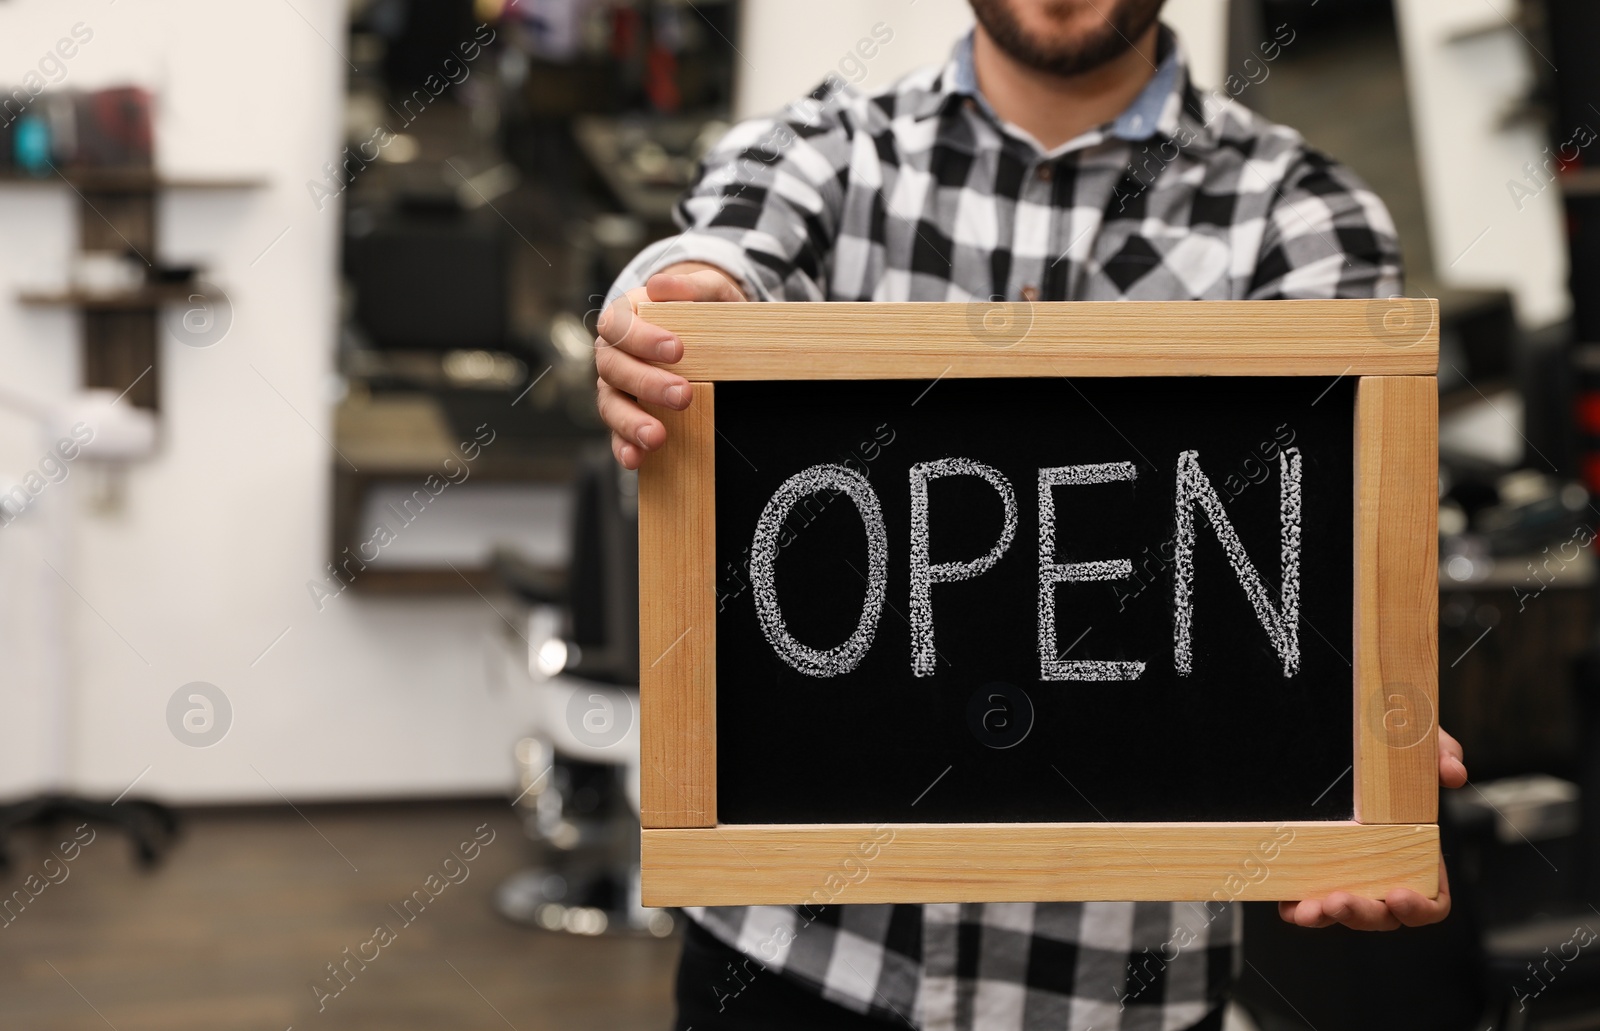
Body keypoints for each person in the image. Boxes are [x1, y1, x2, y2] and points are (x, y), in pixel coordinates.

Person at [593, 1, 1468, 1027]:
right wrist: (669, 316)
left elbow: (1330, 549)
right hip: (793, 967)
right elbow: (721, 255)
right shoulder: (819, 151)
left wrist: (1355, 762)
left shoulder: (1302, 214)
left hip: (1111, 989)